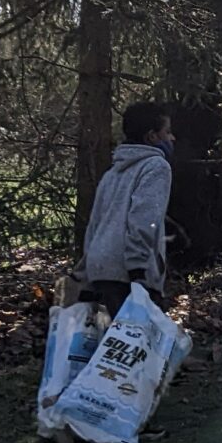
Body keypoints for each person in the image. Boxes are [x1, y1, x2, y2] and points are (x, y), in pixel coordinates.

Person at [73, 101, 175, 316]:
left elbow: (95, 224)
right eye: (167, 132)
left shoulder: (113, 172)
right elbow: (145, 218)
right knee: (138, 343)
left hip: (100, 269)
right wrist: (139, 269)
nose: (172, 138)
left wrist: (84, 272)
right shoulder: (156, 166)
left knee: (110, 343)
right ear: (152, 137)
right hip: (128, 273)